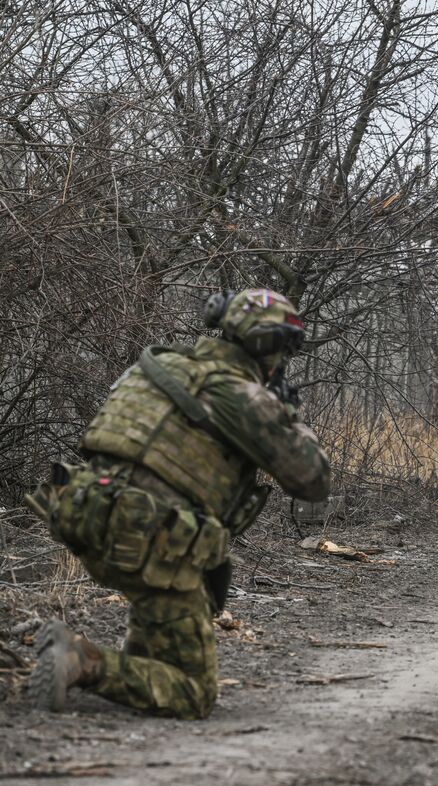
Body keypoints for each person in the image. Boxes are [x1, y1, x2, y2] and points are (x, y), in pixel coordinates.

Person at [25, 288, 331, 719]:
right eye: (284, 350)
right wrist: (289, 413)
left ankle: (134, 661)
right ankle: (80, 659)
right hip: (149, 543)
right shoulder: (243, 397)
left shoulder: (158, 364)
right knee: (192, 694)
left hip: (84, 518)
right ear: (267, 346)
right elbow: (313, 480)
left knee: (163, 621)